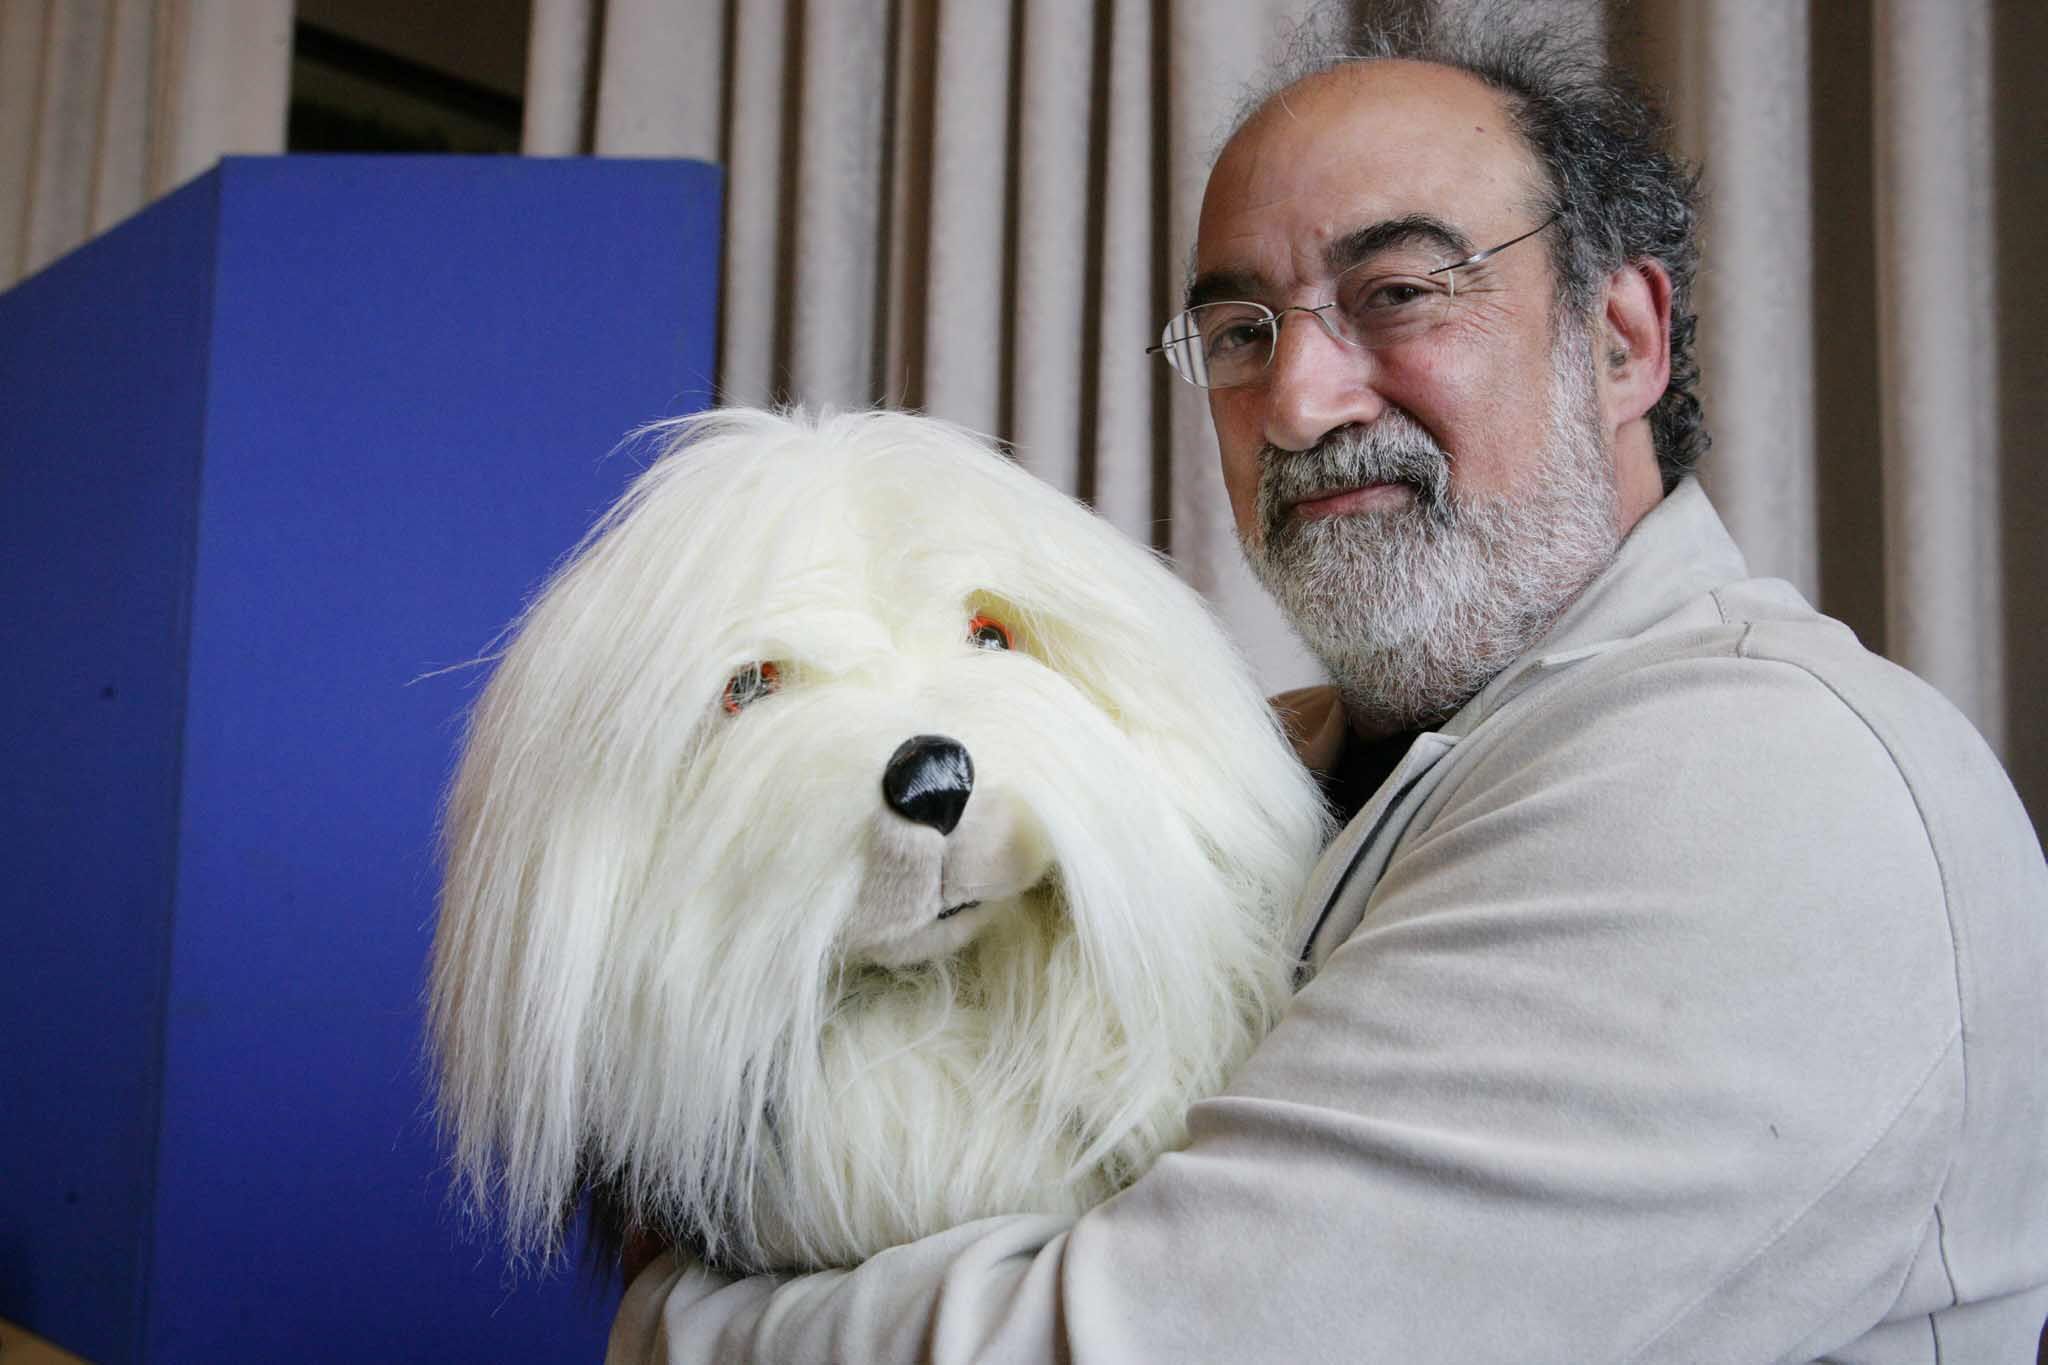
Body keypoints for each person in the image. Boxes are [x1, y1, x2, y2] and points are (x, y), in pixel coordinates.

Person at [610, 9, 2048, 1361]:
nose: (1297, 404)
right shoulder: (1247, 762)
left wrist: (685, 1316)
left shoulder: (1763, 788)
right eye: (1243, 333)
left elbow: (1165, 1340)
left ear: (1621, 340)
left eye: (1400, 294)